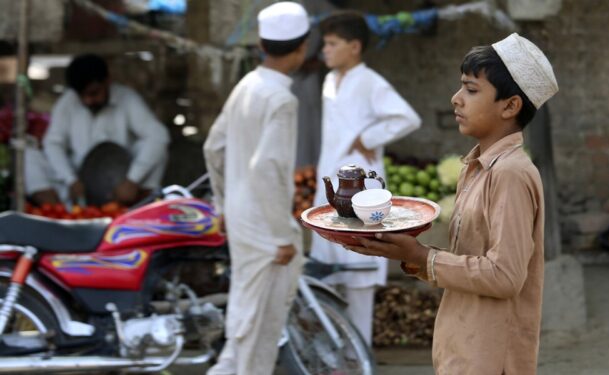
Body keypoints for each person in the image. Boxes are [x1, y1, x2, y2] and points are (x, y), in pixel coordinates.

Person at [345, 33, 559, 374]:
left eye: (471, 90)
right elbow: (468, 262)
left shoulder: (510, 174)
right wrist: (410, 254)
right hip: (463, 346)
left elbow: (504, 277)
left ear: (510, 106)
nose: (456, 99)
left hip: (491, 357)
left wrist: (421, 256)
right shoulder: (476, 168)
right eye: (461, 87)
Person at [202, 2, 310, 374]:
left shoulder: (247, 85)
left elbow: (213, 148)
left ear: (263, 46)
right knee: (258, 333)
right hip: (266, 224)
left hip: (240, 215)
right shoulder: (281, 99)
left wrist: (222, 205)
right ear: (302, 48)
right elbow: (266, 167)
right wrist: (282, 235)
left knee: (243, 326)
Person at [310, 11, 421, 345]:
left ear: (354, 46)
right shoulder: (329, 81)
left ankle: (360, 357)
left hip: (361, 186)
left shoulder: (371, 81)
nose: (325, 50)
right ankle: (333, 355)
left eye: (332, 44)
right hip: (328, 183)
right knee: (328, 277)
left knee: (358, 276)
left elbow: (407, 118)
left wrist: (369, 138)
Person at [41, 54, 169, 205]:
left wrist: (132, 180)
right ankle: (53, 209)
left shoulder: (126, 98)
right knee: (30, 156)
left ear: (107, 81)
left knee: (157, 150)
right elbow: (52, 144)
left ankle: (145, 204)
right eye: (82, 95)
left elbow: (159, 136)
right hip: (79, 183)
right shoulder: (67, 102)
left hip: (123, 181)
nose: (88, 100)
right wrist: (71, 180)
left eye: (94, 93)